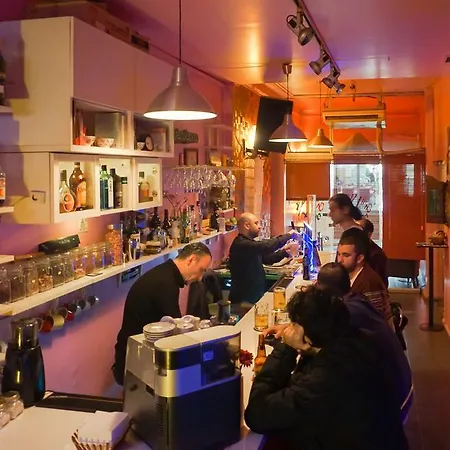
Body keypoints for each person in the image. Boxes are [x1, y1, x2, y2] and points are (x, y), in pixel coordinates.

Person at [245, 285, 409, 450]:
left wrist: (286, 348)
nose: (290, 329)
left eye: (294, 324)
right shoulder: (356, 341)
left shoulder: (325, 379)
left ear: (306, 335)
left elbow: (256, 414)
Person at [317, 262, 413, 421]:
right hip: (401, 385)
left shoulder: (347, 312)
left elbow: (321, 335)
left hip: (393, 403)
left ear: (325, 291)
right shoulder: (357, 300)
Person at [112, 242, 212, 385]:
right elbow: (176, 335)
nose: (200, 278)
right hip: (134, 362)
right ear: (191, 260)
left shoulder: (164, 273)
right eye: (201, 270)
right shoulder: (165, 284)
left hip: (132, 353)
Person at [228, 213, 298, 304]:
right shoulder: (241, 244)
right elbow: (267, 246)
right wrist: (289, 235)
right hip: (243, 301)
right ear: (247, 225)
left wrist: (285, 252)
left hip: (253, 297)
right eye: (256, 223)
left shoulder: (249, 243)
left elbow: (267, 259)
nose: (259, 226)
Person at [337, 228, 393, 326]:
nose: (340, 260)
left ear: (360, 258)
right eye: (338, 254)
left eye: (346, 255)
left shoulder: (368, 282)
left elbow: (373, 322)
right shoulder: (349, 275)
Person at [356, 217, 389, 287]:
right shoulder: (354, 248)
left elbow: (379, 281)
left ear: (369, 234)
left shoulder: (377, 254)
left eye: (358, 229)